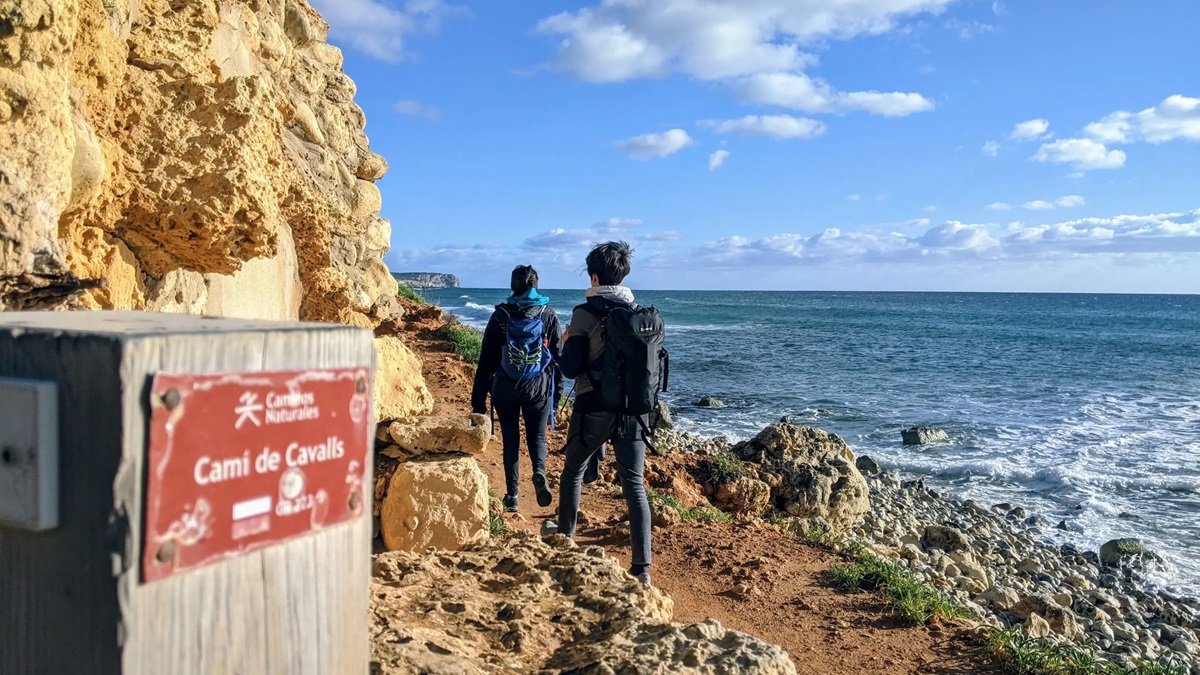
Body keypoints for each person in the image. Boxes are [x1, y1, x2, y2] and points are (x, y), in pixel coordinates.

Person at [544, 241, 666, 587]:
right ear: (623, 273)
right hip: (634, 412)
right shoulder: (640, 315)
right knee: (634, 485)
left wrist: (566, 340)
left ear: (594, 276)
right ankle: (641, 568)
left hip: (593, 406)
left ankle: (565, 539)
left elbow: (569, 369)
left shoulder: (585, 314)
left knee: (573, 471)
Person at [471, 265, 564, 512]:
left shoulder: (501, 315)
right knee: (537, 437)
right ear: (536, 285)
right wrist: (557, 397)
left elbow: (486, 359)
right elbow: (558, 359)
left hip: (505, 387)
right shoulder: (547, 314)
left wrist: (478, 401)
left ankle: (512, 496)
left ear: (512, 286)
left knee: (510, 440)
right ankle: (539, 472)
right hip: (538, 387)